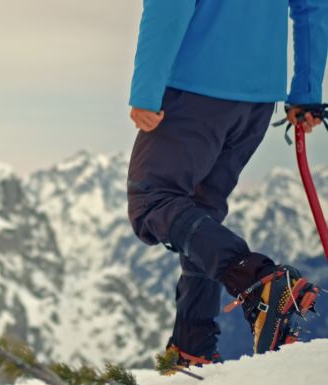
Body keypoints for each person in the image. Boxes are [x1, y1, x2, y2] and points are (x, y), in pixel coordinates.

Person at [126, 0, 328, 367]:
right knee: (201, 212)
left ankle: (259, 280)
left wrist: (146, 89)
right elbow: (312, 5)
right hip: (257, 100)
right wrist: (306, 91)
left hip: (196, 87)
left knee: (152, 199)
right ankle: (193, 344)